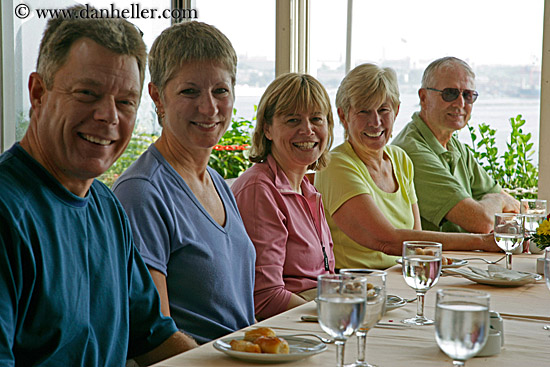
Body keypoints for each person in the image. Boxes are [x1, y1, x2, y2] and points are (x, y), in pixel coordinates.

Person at [0, 6, 197, 366]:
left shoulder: (105, 204)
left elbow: (153, 336)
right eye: (87, 94)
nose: (108, 115)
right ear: (38, 92)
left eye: (125, 102)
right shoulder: (7, 212)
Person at [112, 21, 255, 344]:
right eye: (189, 91)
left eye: (220, 90)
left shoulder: (217, 183)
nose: (209, 108)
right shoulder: (142, 192)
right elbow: (156, 336)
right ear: (156, 96)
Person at [314, 63, 499, 270]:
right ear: (343, 116)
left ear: (396, 111)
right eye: (364, 112)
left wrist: (429, 257)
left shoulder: (400, 159)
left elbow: (416, 244)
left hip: (399, 278)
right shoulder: (336, 164)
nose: (375, 122)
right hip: (357, 286)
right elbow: (388, 241)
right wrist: (483, 242)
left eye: (383, 110)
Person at [231, 73, 336, 319]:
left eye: (316, 119)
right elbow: (266, 298)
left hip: (314, 312)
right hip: (288, 324)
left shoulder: (307, 189)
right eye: (293, 120)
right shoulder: (260, 190)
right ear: (267, 128)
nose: (307, 130)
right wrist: (336, 312)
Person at [392, 57, 520, 233]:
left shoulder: (455, 147)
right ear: (424, 97)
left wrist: (499, 201)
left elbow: (513, 208)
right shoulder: (412, 151)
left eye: (468, 95)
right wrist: (498, 202)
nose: (460, 103)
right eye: (450, 93)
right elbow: (482, 222)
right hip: (434, 259)